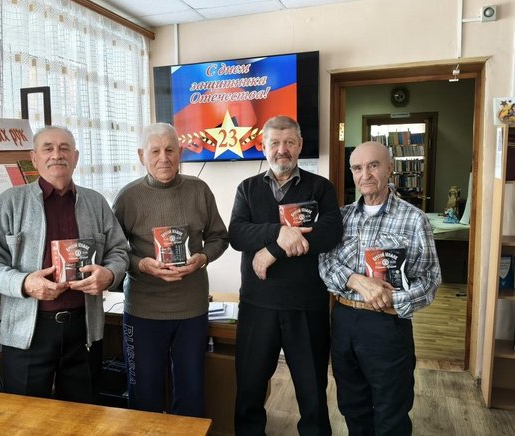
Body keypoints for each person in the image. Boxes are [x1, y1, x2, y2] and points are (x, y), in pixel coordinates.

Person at [0, 126, 128, 403]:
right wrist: (24, 283)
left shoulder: (95, 202)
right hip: (28, 332)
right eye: (48, 148)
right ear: (34, 158)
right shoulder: (11, 202)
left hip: (84, 330)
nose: (57, 155)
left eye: (64, 148)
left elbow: (118, 250)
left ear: (76, 157)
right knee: (25, 416)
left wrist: (109, 274)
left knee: (84, 415)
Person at [229, 115, 343, 435]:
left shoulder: (320, 188)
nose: (282, 150)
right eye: (275, 143)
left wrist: (273, 250)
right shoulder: (247, 189)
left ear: (300, 145)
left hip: (307, 306)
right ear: (263, 146)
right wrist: (278, 233)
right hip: (257, 305)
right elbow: (237, 234)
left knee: (312, 394)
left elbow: (330, 233)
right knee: (249, 390)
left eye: (289, 142)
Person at [318, 141, 441, 435]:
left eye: (373, 166)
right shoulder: (341, 217)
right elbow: (324, 263)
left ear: (389, 168)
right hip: (344, 320)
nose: (365, 175)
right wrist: (354, 280)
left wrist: (391, 298)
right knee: (352, 405)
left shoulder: (414, 219)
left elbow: (430, 280)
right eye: (357, 168)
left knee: (391, 410)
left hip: (388, 323)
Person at [112, 123, 229, 417]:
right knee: (144, 395)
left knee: (191, 393)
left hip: (191, 309)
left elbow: (219, 237)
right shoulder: (127, 197)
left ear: (181, 152)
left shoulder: (199, 190)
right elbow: (113, 251)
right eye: (155, 151)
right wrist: (141, 264)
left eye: (170, 150)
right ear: (141, 155)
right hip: (143, 310)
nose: (163, 158)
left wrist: (202, 258)